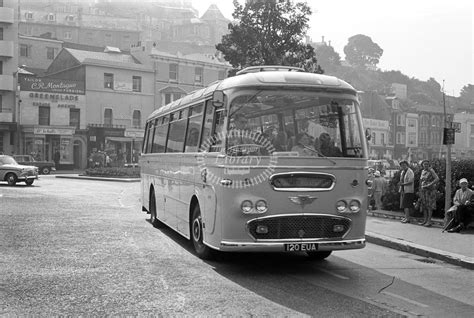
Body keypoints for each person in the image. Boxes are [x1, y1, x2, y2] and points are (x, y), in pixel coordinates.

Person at [418, 160, 439, 227]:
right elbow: (421, 181)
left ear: (429, 165)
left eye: (427, 164)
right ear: (422, 165)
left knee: (429, 206)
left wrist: (429, 184)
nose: (425, 165)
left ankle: (429, 221)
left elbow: (437, 179)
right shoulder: (422, 171)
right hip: (423, 190)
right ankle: (425, 220)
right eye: (424, 164)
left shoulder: (431, 171)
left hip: (430, 191)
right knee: (424, 206)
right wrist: (420, 190)